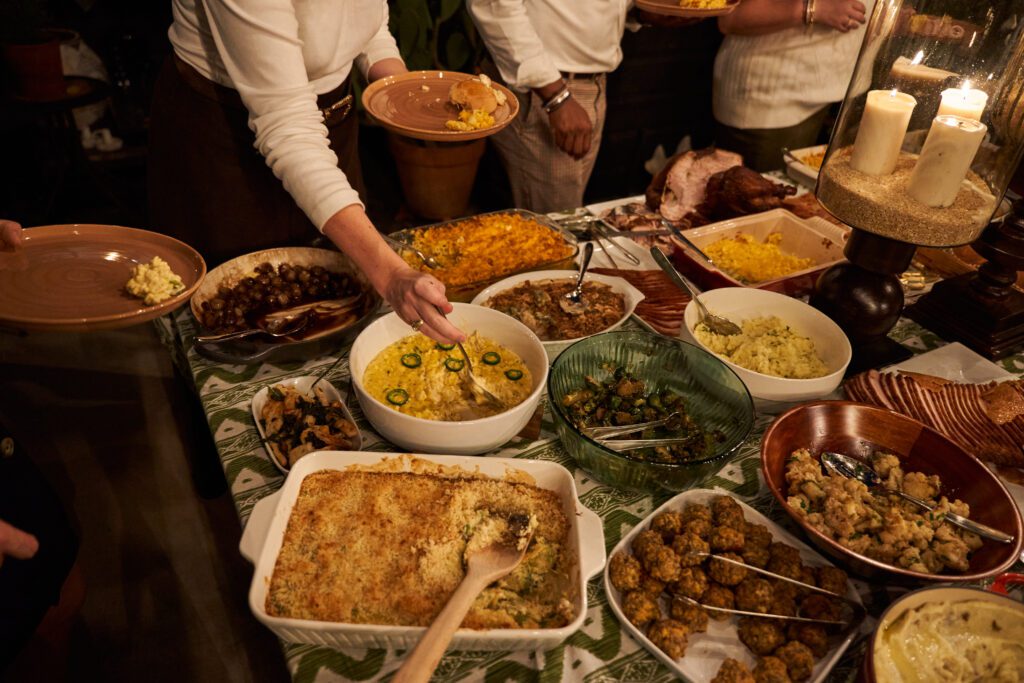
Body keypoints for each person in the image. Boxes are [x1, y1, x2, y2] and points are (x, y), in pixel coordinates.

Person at [149, 0, 462, 343]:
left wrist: (394, 81)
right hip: (224, 136)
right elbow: (287, 124)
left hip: (326, 121)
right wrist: (390, 274)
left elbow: (361, 16)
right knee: (233, 318)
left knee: (345, 297)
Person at [466, 0, 631, 213]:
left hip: (593, 84)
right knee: (556, 218)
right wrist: (557, 97)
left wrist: (638, 13)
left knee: (565, 212)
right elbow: (492, 4)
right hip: (543, 89)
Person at [713, 0, 874, 172]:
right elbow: (731, 18)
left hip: (849, 92)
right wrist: (815, 8)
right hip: (773, 100)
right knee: (761, 188)